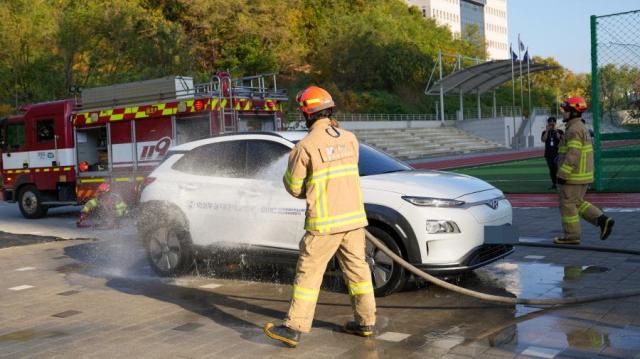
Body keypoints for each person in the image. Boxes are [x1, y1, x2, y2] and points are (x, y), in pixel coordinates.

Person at [264, 86, 376, 347]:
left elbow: (294, 187)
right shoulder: (350, 139)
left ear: (307, 114)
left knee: (308, 275)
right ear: (329, 110)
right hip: (354, 221)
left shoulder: (306, 146)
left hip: (324, 225)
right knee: (358, 272)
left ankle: (293, 328)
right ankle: (366, 321)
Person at [554, 96, 615, 245]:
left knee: (567, 204)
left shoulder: (574, 130)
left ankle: (572, 236)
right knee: (577, 202)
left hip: (573, 176)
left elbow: (573, 154)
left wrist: (563, 174)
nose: (563, 113)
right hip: (581, 176)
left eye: (566, 110)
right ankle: (602, 220)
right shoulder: (579, 127)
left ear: (574, 112)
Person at [541, 117, 561, 189]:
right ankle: (554, 184)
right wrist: (547, 130)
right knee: (551, 169)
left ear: (555, 123)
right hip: (548, 154)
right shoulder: (545, 132)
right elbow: (543, 139)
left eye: (553, 124)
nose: (551, 125)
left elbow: (560, 139)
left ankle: (559, 183)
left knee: (557, 169)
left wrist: (556, 130)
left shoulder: (559, 131)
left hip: (557, 153)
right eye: (550, 124)